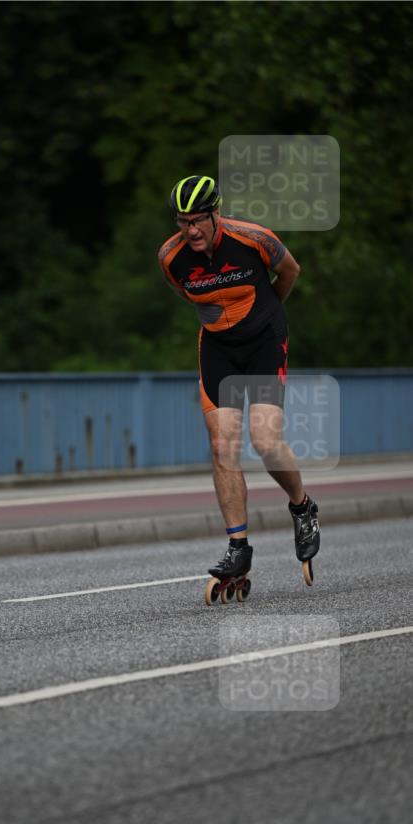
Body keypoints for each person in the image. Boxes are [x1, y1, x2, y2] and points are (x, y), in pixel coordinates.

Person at [158, 174, 320, 584]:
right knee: (222, 446)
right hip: (218, 348)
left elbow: (290, 271)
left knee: (265, 441)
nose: (191, 230)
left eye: (198, 220)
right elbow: (184, 293)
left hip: (264, 341)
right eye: (183, 221)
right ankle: (238, 547)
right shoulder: (171, 257)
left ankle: (301, 506)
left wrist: (266, 313)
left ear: (216, 213)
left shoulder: (254, 239)